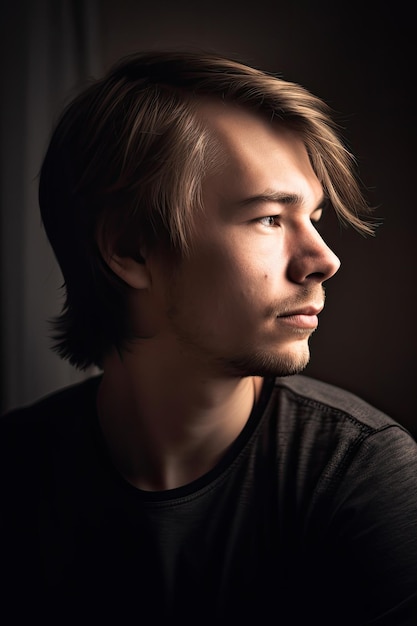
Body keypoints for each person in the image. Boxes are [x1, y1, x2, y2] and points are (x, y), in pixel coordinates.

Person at [1, 49, 416, 625]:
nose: (324, 261)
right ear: (130, 249)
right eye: (270, 217)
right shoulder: (13, 479)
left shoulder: (360, 475)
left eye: (314, 219)